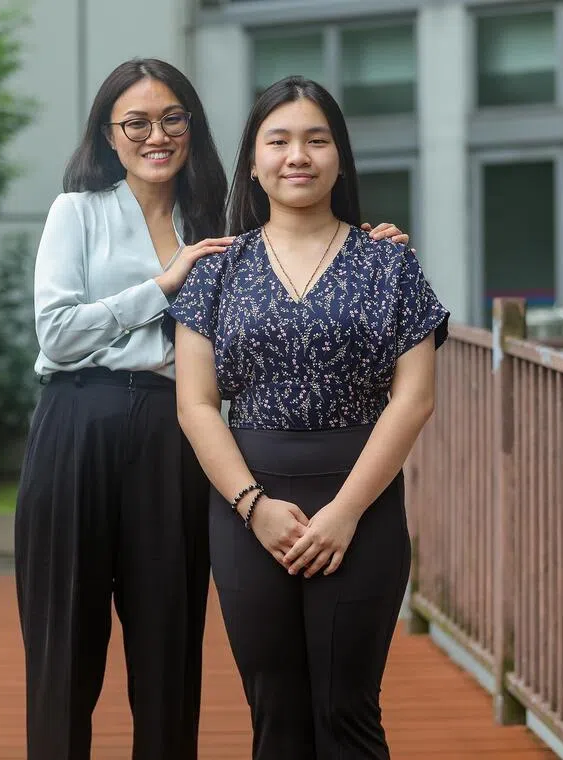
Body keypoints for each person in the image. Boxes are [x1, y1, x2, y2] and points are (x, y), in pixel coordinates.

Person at [14, 59, 411, 760]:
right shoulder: (76, 212)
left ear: (194, 128)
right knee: (64, 647)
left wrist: (368, 249)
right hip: (80, 420)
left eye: (173, 119)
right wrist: (161, 286)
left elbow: (290, 258)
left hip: (176, 433)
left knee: (169, 649)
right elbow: (57, 334)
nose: (156, 135)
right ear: (108, 135)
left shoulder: (217, 223)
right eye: (135, 122)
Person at [168, 75, 449, 760]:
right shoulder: (217, 269)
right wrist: (252, 504)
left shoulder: (390, 262)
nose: (298, 155)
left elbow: (414, 399)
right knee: (275, 715)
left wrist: (347, 511)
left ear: (339, 158)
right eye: (280, 141)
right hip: (247, 507)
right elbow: (196, 404)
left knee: (347, 711)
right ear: (255, 162)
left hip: (363, 502)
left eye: (316, 140)